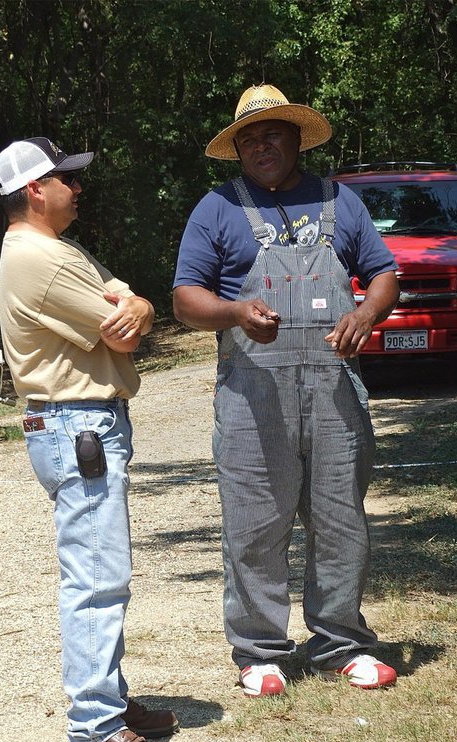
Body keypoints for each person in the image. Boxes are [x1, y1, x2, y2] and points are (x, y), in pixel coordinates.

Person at [173, 85, 400, 698]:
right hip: (252, 396)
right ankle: (259, 651)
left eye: (272, 132)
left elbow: (384, 273)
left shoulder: (338, 200)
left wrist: (366, 315)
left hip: (334, 392)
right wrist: (234, 312)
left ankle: (341, 643)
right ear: (236, 149)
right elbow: (184, 298)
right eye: (248, 137)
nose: (261, 144)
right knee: (254, 524)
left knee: (340, 520)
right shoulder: (216, 208)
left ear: (298, 137)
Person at [0, 137, 179, 742]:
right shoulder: (39, 258)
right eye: (66, 179)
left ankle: (109, 704)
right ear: (34, 189)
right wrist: (137, 308)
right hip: (79, 426)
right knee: (97, 577)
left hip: (77, 425)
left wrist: (139, 305)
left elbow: (130, 302)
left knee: (101, 571)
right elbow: (121, 325)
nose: (78, 187)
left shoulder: (51, 249)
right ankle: (96, 728)